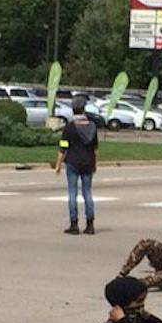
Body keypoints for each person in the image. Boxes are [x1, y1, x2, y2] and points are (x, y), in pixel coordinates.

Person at [54, 96, 99, 235]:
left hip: (73, 162)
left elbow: (63, 146)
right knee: (87, 193)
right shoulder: (92, 126)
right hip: (88, 162)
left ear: (73, 110)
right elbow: (95, 148)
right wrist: (95, 164)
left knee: (72, 193)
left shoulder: (70, 127)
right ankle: (90, 225)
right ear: (84, 109)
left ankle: (74, 225)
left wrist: (58, 164)